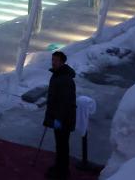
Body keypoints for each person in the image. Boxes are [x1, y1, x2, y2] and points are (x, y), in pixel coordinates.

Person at [43, 51, 76, 179]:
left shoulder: (65, 79)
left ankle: (62, 171)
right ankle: (59, 166)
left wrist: (58, 119)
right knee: (60, 144)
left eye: (56, 60)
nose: (53, 62)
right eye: (52, 59)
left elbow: (65, 102)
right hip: (58, 115)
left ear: (62, 62)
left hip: (63, 118)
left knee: (62, 144)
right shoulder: (57, 74)